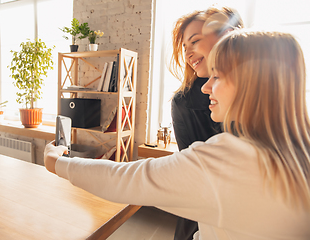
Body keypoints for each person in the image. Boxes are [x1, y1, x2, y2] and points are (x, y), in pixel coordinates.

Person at [44, 30, 310, 240]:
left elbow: (127, 180)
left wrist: (57, 163)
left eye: (216, 76)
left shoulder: (228, 159)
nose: (206, 87)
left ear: (252, 83)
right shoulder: (299, 149)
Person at [170, 6, 243, 239]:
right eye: (184, 47)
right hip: (201, 215)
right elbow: (188, 170)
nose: (188, 53)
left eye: (195, 41)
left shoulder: (258, 91)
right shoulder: (182, 102)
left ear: (226, 35)